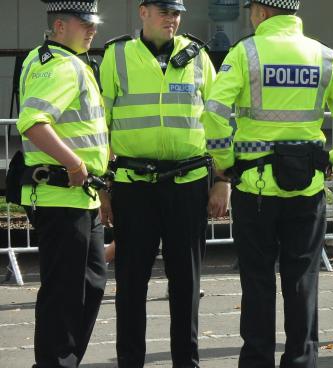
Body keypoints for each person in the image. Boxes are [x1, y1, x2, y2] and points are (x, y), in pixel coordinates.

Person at [200, 1, 333, 366]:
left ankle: (257, 360)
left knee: (258, 282)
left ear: (262, 12)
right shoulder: (324, 56)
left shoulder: (245, 52)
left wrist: (227, 165)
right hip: (306, 190)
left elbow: (214, 114)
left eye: (251, 9)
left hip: (254, 188)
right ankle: (301, 359)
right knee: (302, 281)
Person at [99, 0, 225, 366]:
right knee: (131, 284)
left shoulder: (198, 55)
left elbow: (218, 121)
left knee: (186, 284)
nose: (173, 19)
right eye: (165, 11)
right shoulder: (117, 56)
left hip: (188, 183)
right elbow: (100, 125)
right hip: (133, 184)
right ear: (143, 12)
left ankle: (187, 362)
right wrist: (104, 188)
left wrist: (222, 180)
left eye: (177, 12)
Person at [15, 1, 109, 366]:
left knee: (88, 286)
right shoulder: (61, 65)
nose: (92, 30)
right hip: (61, 196)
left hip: (80, 198)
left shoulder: (69, 62)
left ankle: (64, 361)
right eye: (84, 23)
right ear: (59, 26)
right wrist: (73, 164)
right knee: (66, 294)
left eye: (94, 24)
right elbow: (33, 122)